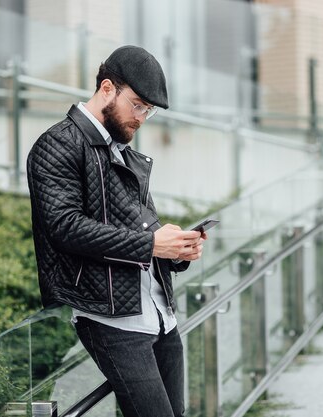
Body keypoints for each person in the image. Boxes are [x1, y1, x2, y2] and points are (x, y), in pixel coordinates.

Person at [26, 45, 205, 417]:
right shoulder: (58, 144)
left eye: (148, 111)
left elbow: (142, 228)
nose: (142, 117)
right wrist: (152, 244)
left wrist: (176, 251)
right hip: (110, 319)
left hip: (159, 314)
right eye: (137, 105)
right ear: (107, 88)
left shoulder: (123, 152)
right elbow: (64, 227)